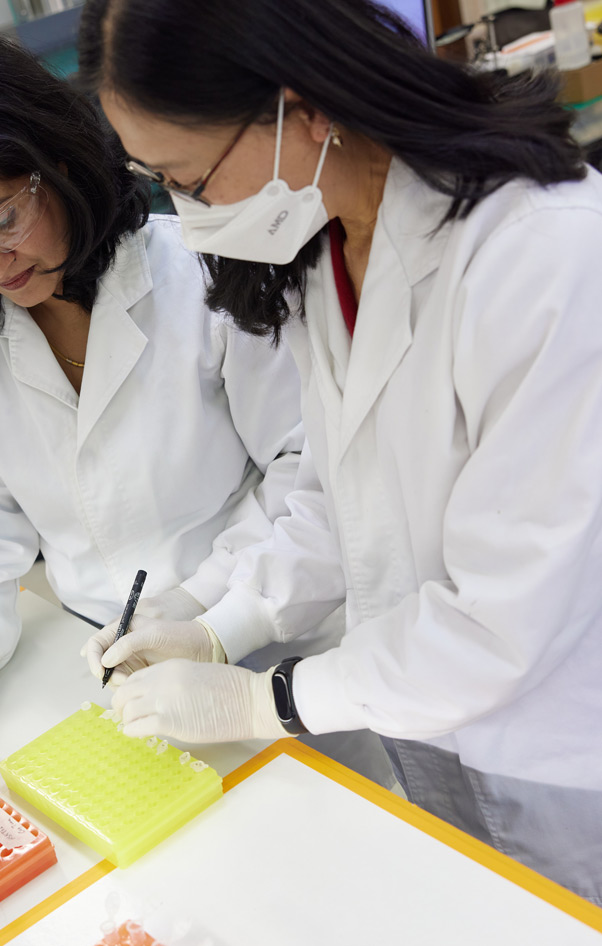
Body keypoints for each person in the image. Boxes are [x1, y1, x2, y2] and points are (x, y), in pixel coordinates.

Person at [77, 0, 602, 903]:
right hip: (419, 719)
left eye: (189, 177)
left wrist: (268, 701)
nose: (183, 209)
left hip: (557, 753)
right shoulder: (330, 241)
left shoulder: (543, 257)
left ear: (302, 109)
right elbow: (335, 498)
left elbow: (503, 621)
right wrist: (217, 629)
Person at [0, 32, 307, 791]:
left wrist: (203, 615)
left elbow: (304, 473)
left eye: (2, 221)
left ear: (60, 164)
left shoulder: (199, 275)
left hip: (264, 637)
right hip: (102, 666)